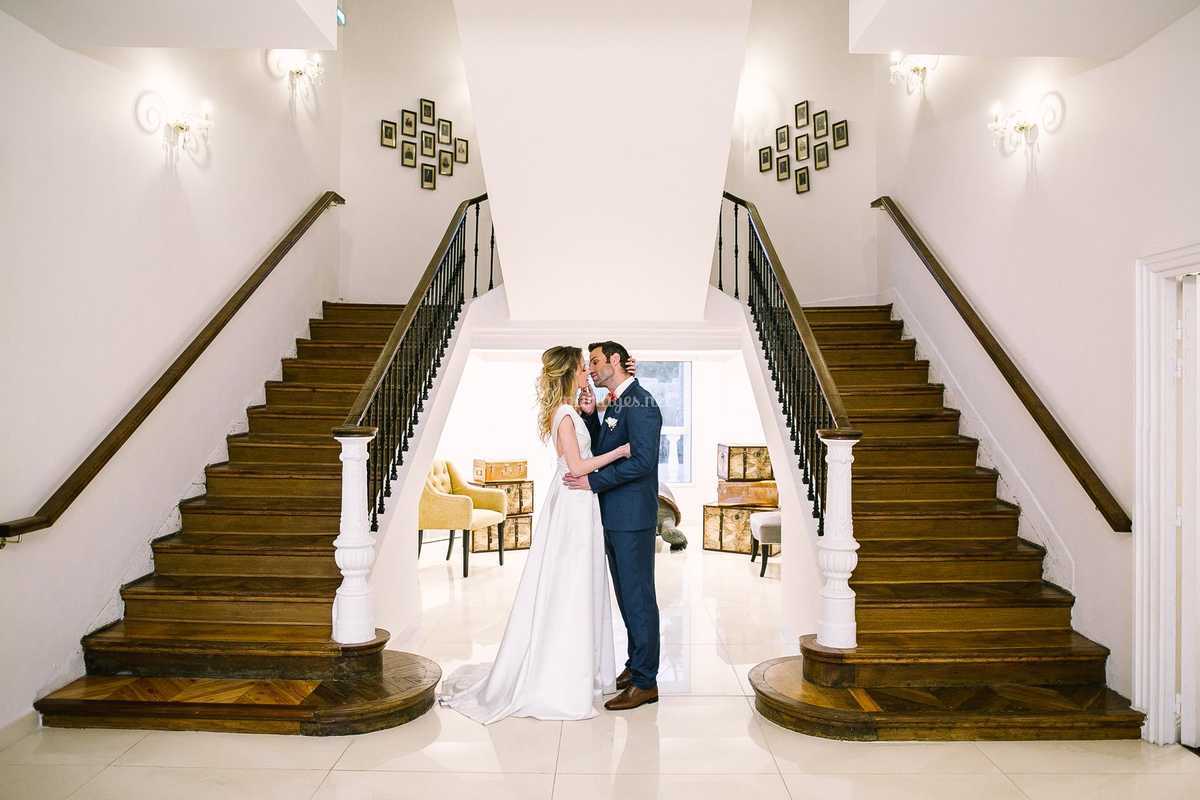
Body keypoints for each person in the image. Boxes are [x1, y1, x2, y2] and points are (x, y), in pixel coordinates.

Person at [439, 346, 627, 722]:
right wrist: (620, 451)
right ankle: (559, 676)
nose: (586, 372)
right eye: (581, 367)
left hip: (576, 500)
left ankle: (579, 668)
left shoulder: (568, 412)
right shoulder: (565, 415)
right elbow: (577, 465)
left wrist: (598, 411)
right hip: (574, 504)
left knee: (576, 581)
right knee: (571, 582)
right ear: (569, 372)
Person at [565, 340, 663, 711]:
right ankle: (635, 665)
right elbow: (607, 445)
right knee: (626, 597)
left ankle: (646, 681)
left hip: (632, 518)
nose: (589, 369)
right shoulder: (616, 402)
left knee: (639, 598)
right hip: (613, 516)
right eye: (588, 363)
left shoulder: (642, 403)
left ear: (616, 361)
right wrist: (591, 416)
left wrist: (593, 482)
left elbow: (642, 462)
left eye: (595, 361)